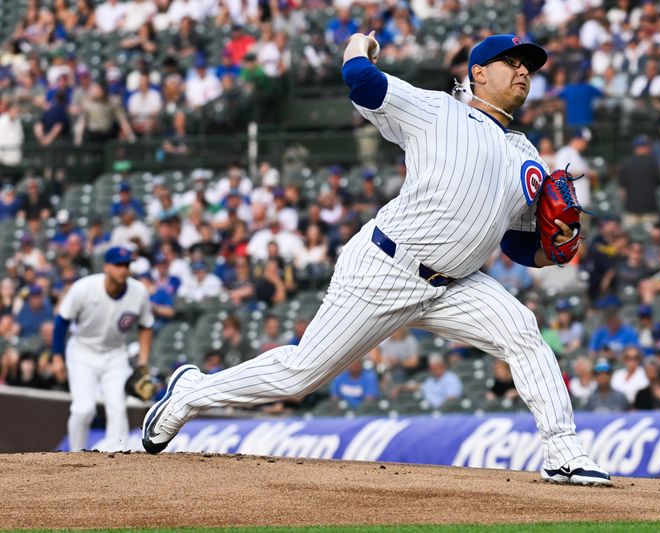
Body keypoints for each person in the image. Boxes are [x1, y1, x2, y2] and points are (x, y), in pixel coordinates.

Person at [141, 33, 612, 485]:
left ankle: (564, 452)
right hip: (386, 266)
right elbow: (363, 81)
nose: (523, 72)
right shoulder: (438, 110)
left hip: (456, 285)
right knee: (300, 375)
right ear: (477, 73)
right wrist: (359, 45)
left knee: (523, 331)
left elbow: (515, 244)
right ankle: (189, 394)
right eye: (511, 63)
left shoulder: (526, 155)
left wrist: (554, 251)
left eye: (528, 67)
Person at [52, 247, 153, 452]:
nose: (123, 270)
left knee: (117, 407)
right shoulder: (84, 288)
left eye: (126, 265)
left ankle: (118, 458)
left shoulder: (138, 292)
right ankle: (75, 455)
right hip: (82, 351)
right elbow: (62, 321)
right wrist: (57, 357)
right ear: (106, 267)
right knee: (83, 409)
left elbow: (146, 325)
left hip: (115, 354)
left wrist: (143, 361)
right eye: (118, 265)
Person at [617, 135, 660, 229]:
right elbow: (659, 183)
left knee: (630, 240)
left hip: (631, 210)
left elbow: (622, 191)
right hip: (649, 210)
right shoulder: (653, 163)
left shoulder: (626, 164)